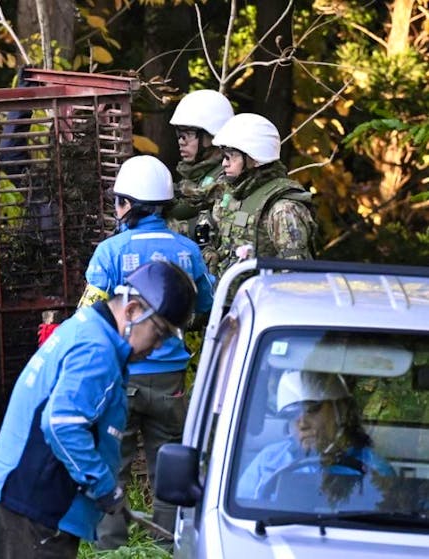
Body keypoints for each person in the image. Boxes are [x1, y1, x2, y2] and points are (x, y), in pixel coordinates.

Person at [0, 261, 197, 558]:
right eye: (159, 333)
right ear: (132, 311)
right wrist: (105, 487)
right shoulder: (97, 350)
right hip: (29, 511)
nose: (157, 347)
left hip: (21, 505)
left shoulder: (88, 330)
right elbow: (62, 425)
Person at [80, 155, 214, 549]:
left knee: (112, 462)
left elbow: (88, 314)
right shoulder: (188, 250)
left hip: (122, 376)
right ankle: (167, 544)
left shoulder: (110, 251)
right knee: (168, 467)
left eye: (119, 200)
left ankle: (110, 546)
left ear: (128, 205)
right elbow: (205, 305)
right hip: (172, 378)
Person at [237, 370, 394, 501]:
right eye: (292, 415)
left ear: (341, 409)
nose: (302, 423)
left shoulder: (373, 466)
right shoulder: (268, 460)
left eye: (312, 410)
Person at [206, 113, 316, 278]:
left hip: (261, 301)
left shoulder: (283, 209)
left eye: (232, 156)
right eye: (224, 156)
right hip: (226, 298)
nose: (224, 163)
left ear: (255, 159)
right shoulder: (233, 194)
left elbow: (296, 276)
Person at [165, 89, 234, 252]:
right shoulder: (197, 173)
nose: (181, 141)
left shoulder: (225, 175)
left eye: (188, 134)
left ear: (211, 136)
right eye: (179, 134)